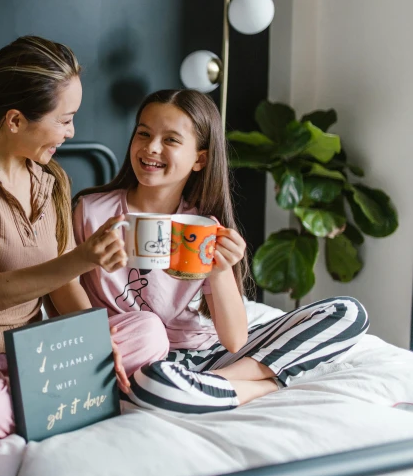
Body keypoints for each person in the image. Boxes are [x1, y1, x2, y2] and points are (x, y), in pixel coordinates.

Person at [0, 36, 168, 439]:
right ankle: (52, 404)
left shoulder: (52, 180)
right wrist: (87, 256)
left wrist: (94, 340)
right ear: (15, 120)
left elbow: (63, 289)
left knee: (149, 331)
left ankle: (37, 403)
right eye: (64, 119)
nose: (72, 132)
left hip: (36, 356)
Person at [73, 89, 369, 414]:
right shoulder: (91, 212)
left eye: (170, 140)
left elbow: (234, 341)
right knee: (151, 379)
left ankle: (215, 383)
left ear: (200, 158)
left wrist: (221, 268)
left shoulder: (202, 227)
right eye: (143, 133)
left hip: (205, 356)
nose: (151, 147)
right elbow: (68, 296)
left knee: (348, 313)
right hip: (134, 355)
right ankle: (264, 385)